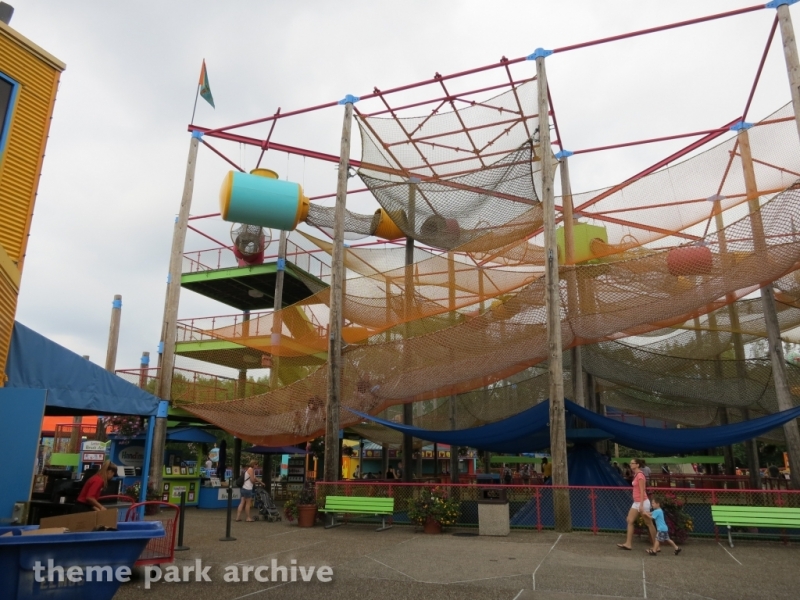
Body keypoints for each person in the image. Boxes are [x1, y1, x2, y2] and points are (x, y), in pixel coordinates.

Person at [617, 458, 656, 551]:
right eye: (630, 463)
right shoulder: (636, 474)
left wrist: (641, 505)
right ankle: (628, 543)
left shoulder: (640, 475)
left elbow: (643, 490)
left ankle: (656, 545)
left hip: (642, 502)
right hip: (636, 502)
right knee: (630, 520)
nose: (630, 464)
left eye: (632, 463)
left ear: (637, 465)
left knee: (649, 523)